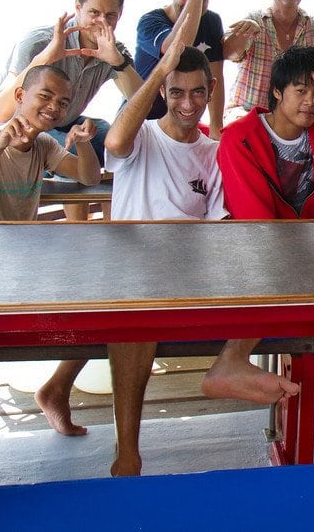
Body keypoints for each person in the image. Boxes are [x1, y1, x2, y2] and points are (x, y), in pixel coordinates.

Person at [203, 39, 314, 403]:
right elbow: (258, 224)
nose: (310, 101)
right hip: (253, 252)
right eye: (301, 91)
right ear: (275, 91)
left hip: (304, 251)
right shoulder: (240, 138)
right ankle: (231, 361)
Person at [103, 38, 227, 476]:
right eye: (176, 91)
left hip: (184, 276)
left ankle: (57, 389)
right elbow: (116, 143)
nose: (188, 103)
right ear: (161, 92)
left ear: (210, 90)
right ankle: (128, 453)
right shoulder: (142, 136)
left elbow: (217, 227)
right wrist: (159, 69)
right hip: (129, 273)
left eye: (197, 91)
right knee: (133, 314)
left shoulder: (214, 154)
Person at [0, 64, 102, 437]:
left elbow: (88, 176)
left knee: (98, 302)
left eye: (62, 103)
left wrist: (85, 141)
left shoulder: (43, 145)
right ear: (21, 97)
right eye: (45, 96)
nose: (53, 107)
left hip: (25, 259)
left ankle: (56, 389)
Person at [0, 0, 141, 220]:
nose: (101, 23)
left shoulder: (113, 49)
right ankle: (76, 223)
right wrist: (47, 56)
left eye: (110, 16)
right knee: (61, 139)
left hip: (60, 121)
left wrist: (117, 62)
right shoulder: (41, 40)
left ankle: (103, 227)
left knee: (109, 138)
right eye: (94, 13)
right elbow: (2, 112)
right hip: (9, 125)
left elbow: (143, 102)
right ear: (77, 7)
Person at [134, 0, 227, 138]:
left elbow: (215, 73)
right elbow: (175, 49)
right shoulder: (150, 21)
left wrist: (216, 126)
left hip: (186, 115)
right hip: (143, 120)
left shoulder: (211, 21)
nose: (193, 2)